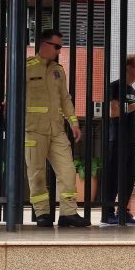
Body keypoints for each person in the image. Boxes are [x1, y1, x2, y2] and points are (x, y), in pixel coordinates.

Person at [24, 28, 90, 228]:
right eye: (57, 46)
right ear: (44, 44)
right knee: (36, 173)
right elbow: (14, 95)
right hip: (33, 128)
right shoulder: (26, 67)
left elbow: (65, 99)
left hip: (57, 130)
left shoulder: (58, 70)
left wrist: (74, 123)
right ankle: (42, 213)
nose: (59, 51)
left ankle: (68, 213)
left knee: (68, 170)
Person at [100, 54, 135, 226]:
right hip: (116, 139)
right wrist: (133, 107)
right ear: (128, 68)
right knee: (113, 176)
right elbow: (113, 111)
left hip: (129, 139)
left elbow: (124, 112)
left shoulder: (131, 90)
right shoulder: (114, 86)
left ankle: (123, 211)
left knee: (128, 177)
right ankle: (108, 213)